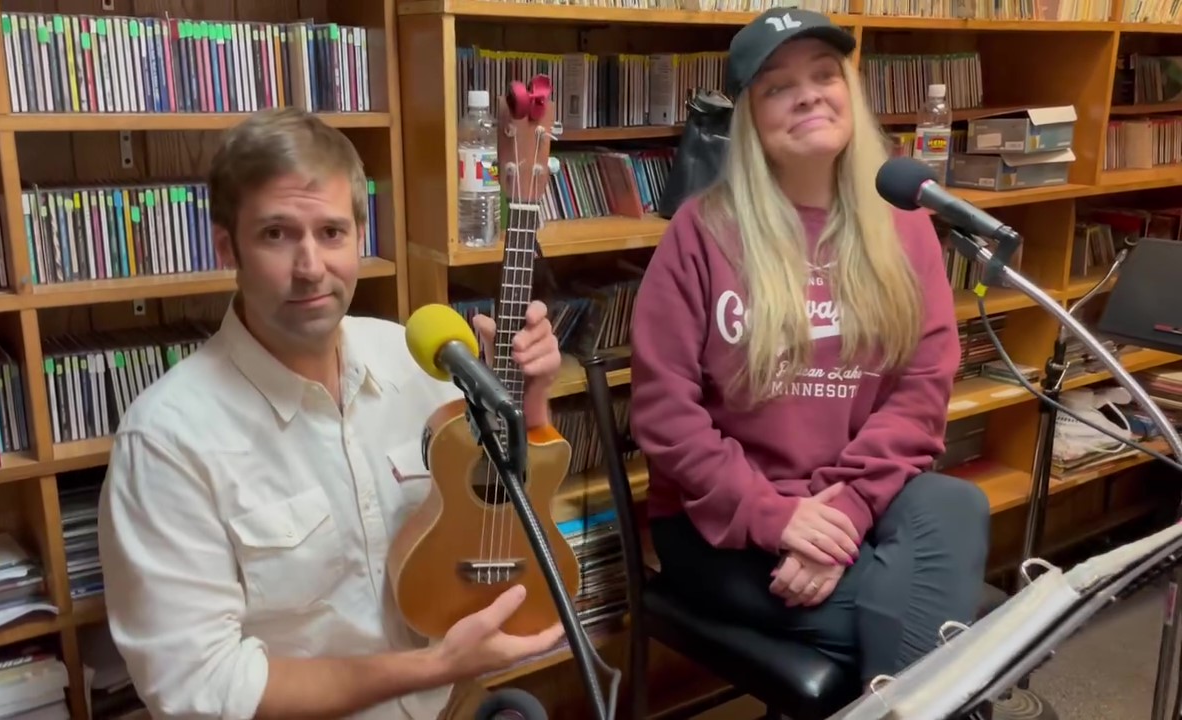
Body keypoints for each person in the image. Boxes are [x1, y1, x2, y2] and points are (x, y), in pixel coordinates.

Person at [97, 107, 566, 720]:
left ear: (360, 238)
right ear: (226, 246)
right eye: (276, 234)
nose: (310, 267)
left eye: (331, 232)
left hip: (444, 700)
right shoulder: (166, 441)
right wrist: (434, 667)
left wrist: (529, 403)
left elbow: (498, 512)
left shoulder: (415, 361)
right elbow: (202, 689)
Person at [628, 8, 991, 686]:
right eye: (777, 86)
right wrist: (777, 517)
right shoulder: (701, 232)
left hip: (857, 501)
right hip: (725, 520)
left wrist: (842, 514)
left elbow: (921, 392)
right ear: (749, 118)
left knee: (956, 506)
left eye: (826, 75)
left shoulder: (904, 225)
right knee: (937, 627)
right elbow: (664, 414)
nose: (808, 95)